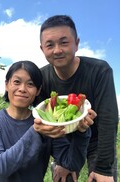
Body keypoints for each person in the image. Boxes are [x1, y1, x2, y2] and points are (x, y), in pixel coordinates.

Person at [0, 60, 94, 182]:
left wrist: (81, 132)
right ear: (7, 85)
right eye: (16, 82)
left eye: (30, 84)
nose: (22, 89)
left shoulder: (46, 123)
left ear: (38, 90)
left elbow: (71, 163)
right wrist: (35, 131)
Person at [37, 15, 119, 182]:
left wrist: (103, 168)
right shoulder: (42, 77)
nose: (57, 50)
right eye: (50, 45)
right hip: (65, 142)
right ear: (42, 49)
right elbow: (41, 117)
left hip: (97, 141)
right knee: (63, 178)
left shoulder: (99, 71)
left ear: (77, 43)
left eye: (64, 42)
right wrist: (61, 159)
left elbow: (108, 120)